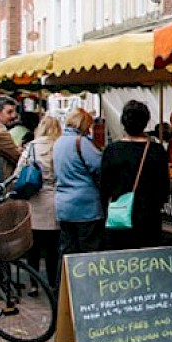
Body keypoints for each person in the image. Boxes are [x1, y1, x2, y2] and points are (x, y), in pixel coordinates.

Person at [101, 100, 169, 251]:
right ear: (146, 122)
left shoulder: (112, 151)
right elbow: (164, 190)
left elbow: (104, 189)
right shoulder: (156, 151)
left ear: (123, 122)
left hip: (119, 218)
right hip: (149, 219)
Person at [14, 116, 62, 290]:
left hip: (35, 200)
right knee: (52, 248)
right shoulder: (59, 147)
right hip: (54, 200)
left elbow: (19, 173)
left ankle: (34, 283)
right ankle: (52, 282)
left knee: (33, 246)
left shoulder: (31, 148)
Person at [52, 108, 103, 254]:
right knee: (88, 251)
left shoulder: (58, 142)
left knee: (68, 251)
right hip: (85, 206)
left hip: (63, 205)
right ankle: (86, 278)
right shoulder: (81, 142)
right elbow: (99, 166)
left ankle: (64, 277)